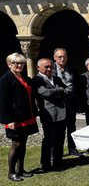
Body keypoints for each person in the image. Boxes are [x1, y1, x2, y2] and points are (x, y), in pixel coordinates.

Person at [0, 53, 39, 182]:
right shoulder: (5, 79)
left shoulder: (24, 78)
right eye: (16, 63)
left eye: (21, 63)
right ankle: (11, 172)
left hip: (26, 116)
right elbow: (3, 101)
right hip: (14, 119)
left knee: (23, 144)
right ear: (9, 64)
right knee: (16, 144)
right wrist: (8, 120)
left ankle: (21, 170)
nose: (19, 65)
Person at [32, 58, 67, 172]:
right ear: (38, 68)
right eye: (46, 67)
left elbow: (66, 90)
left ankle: (58, 162)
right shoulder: (37, 80)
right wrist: (59, 90)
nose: (49, 69)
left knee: (60, 139)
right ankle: (46, 164)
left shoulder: (56, 78)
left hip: (61, 113)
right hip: (49, 115)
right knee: (49, 140)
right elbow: (44, 92)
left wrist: (58, 91)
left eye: (51, 66)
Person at [52, 48, 82, 157]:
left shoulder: (72, 69)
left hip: (71, 103)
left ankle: (72, 148)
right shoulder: (51, 69)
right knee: (58, 129)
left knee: (71, 127)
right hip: (57, 103)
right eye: (59, 57)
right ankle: (56, 152)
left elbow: (77, 85)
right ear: (55, 58)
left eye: (64, 56)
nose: (62, 58)